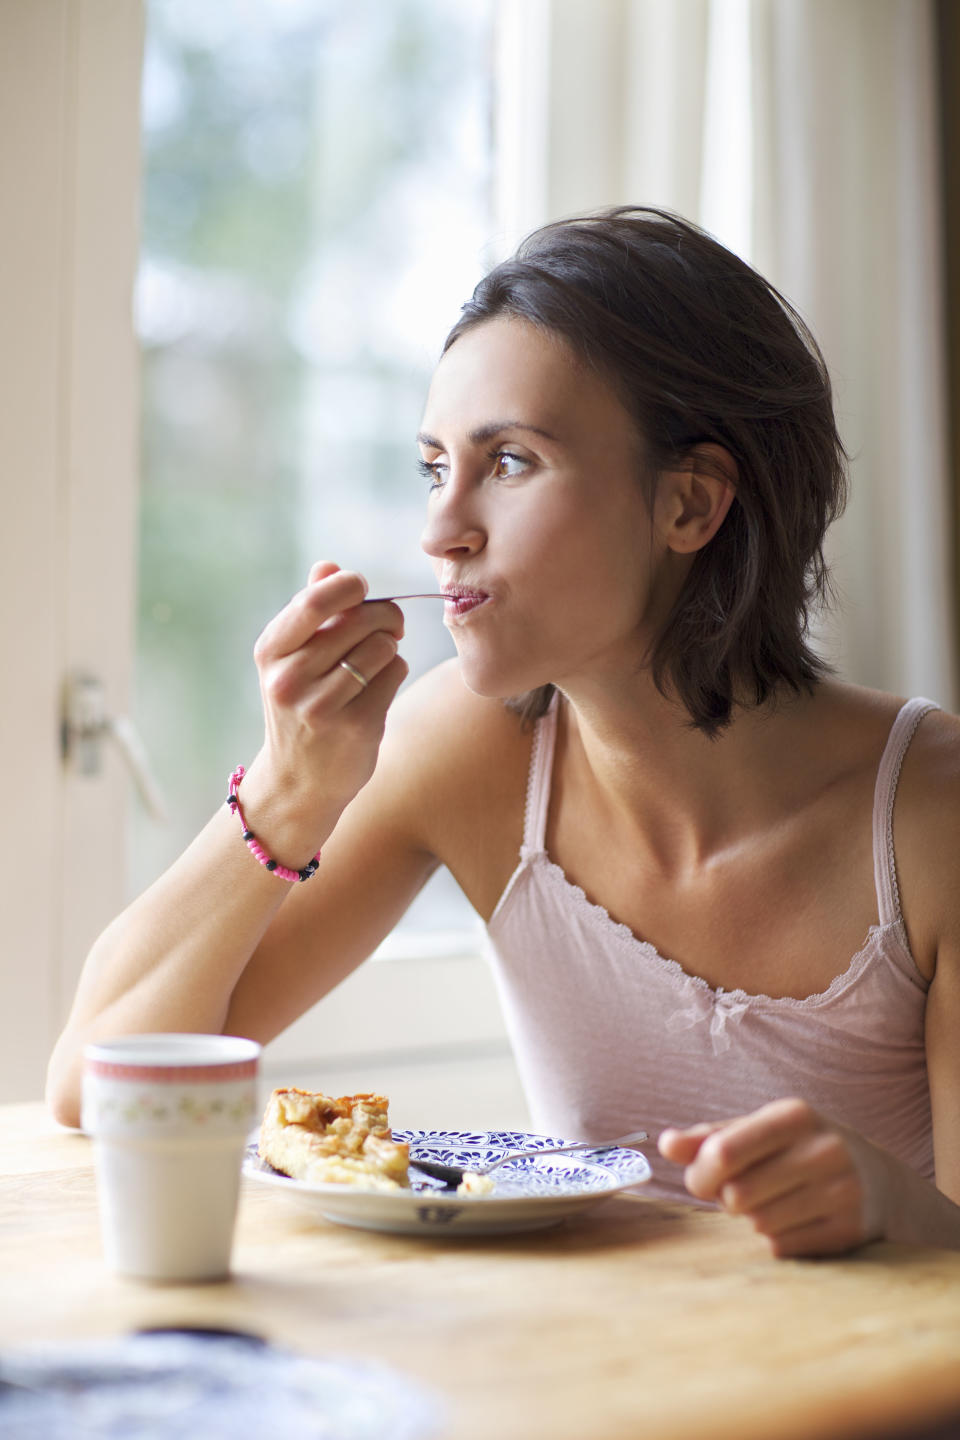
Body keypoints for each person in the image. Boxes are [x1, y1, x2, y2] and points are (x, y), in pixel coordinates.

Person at [47, 207, 960, 1258]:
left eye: (511, 462)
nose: (440, 532)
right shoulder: (468, 749)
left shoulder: (929, 816)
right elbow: (97, 1083)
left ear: (692, 505)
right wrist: (292, 787)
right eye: (436, 468)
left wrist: (888, 1206)